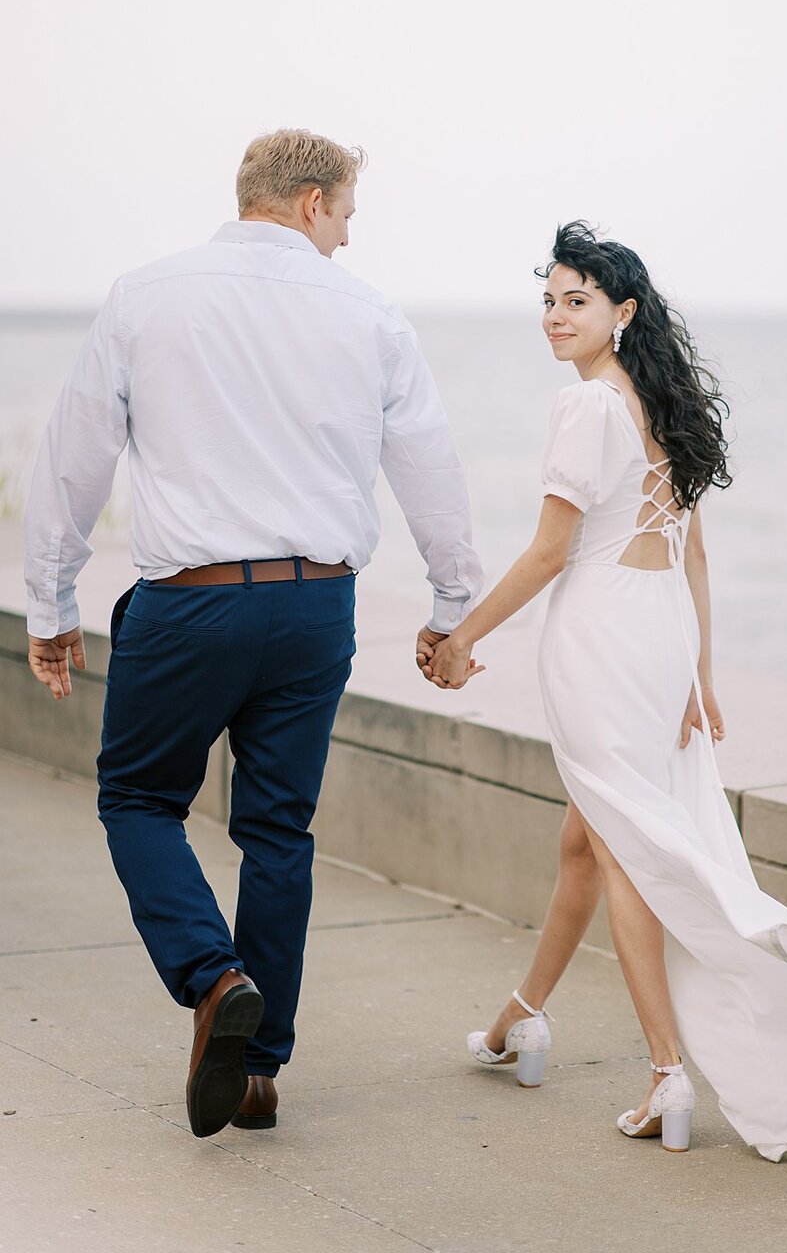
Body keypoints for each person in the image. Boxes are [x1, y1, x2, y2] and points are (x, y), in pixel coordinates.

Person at [24, 129, 483, 1139]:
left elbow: (73, 457)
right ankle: (259, 1069)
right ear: (311, 200)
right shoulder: (368, 315)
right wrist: (454, 604)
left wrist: (52, 603)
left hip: (191, 601)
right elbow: (429, 463)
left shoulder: (146, 295)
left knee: (140, 799)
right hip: (317, 606)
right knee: (279, 832)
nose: (349, 240)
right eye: (348, 217)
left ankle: (212, 977)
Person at [418, 221, 787, 1163]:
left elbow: (554, 551)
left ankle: (666, 1072)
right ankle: (520, 1021)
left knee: (623, 844)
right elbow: (694, 553)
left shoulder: (588, 407)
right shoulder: (658, 404)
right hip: (657, 636)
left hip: (601, 632)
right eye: (548, 300)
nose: (556, 317)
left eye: (578, 301)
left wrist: (461, 635)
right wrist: (698, 673)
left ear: (621, 312)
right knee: (587, 842)